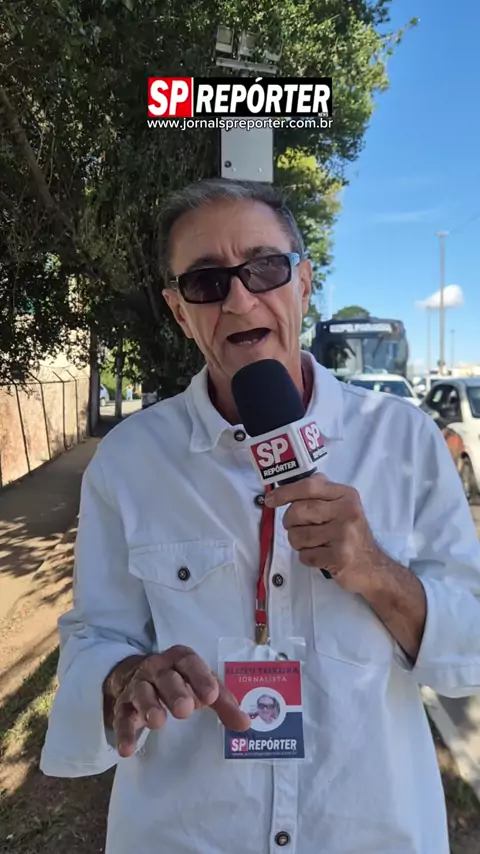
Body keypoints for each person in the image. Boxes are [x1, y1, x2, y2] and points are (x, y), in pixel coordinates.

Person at [40, 178, 480, 854]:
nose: (240, 299)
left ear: (303, 283)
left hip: (374, 833)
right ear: (179, 311)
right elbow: (95, 636)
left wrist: (374, 569)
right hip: (187, 836)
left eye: (265, 268)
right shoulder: (129, 461)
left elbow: (470, 652)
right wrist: (123, 678)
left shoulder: (406, 442)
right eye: (206, 281)